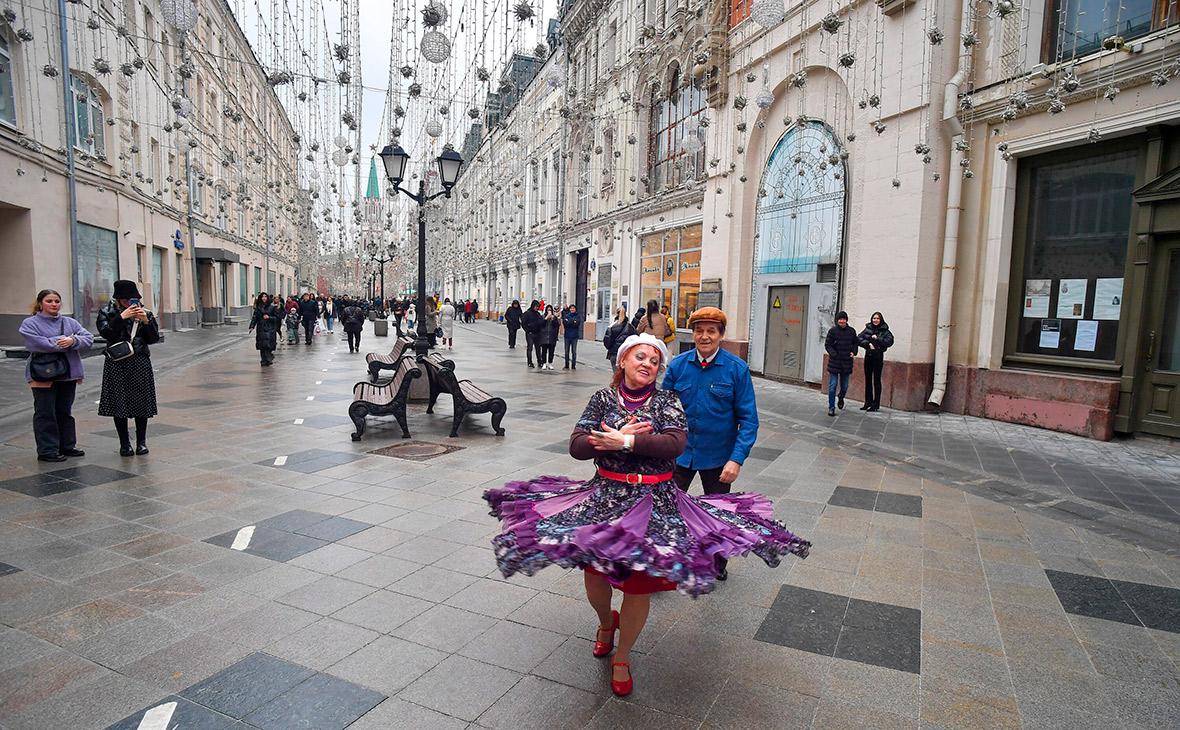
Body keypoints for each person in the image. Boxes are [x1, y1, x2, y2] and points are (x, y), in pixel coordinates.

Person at [484, 333, 810, 698]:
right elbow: (576, 446)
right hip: (605, 498)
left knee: (637, 584)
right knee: (595, 574)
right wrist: (601, 439)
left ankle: (622, 656)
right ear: (622, 361)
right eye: (640, 357)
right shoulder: (603, 398)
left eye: (654, 361)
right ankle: (607, 624)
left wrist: (626, 442)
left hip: (655, 501)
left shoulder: (667, 400)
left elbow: (674, 444)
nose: (647, 365)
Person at [661, 307, 758, 581]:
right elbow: (662, 411)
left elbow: (749, 420)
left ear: (720, 335)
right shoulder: (678, 365)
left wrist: (736, 459)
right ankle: (665, 562)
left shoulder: (736, 369)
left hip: (719, 457)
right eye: (699, 331)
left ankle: (716, 563)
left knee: (718, 514)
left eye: (711, 331)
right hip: (679, 454)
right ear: (693, 333)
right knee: (666, 509)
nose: (704, 337)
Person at [20, 289, 94, 462]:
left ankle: (67, 446)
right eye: (49, 301)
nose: (54, 304)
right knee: (45, 412)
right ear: (40, 303)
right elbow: (38, 344)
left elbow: (88, 338)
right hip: (42, 374)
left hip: (68, 373)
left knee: (64, 411)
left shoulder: (70, 322)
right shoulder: (29, 323)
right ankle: (47, 450)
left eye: (57, 301)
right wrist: (65, 340)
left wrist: (73, 340)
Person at [97, 280, 160, 456]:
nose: (129, 303)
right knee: (119, 403)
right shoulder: (107, 312)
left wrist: (146, 321)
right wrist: (121, 318)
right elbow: (106, 333)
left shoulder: (145, 312)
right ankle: (124, 443)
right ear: (118, 299)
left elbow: (154, 338)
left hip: (139, 361)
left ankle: (141, 442)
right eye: (124, 299)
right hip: (117, 362)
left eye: (131, 299)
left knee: (141, 403)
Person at [858, 311, 895, 412]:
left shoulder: (885, 330)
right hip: (868, 356)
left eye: (877, 318)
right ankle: (867, 402)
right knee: (868, 380)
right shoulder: (868, 328)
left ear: (881, 319)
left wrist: (878, 339)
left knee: (876, 380)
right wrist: (867, 344)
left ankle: (876, 404)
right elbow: (858, 338)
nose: (875, 320)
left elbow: (890, 341)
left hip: (878, 357)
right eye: (874, 318)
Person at [825, 310, 859, 417]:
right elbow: (828, 345)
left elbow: (855, 343)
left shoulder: (852, 331)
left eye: (844, 319)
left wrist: (854, 352)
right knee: (832, 386)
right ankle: (831, 407)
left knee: (844, 387)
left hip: (846, 363)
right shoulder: (832, 331)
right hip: (834, 363)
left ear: (846, 320)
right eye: (840, 319)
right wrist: (833, 354)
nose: (842, 321)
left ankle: (841, 397)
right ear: (837, 320)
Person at [248, 293, 281, 366]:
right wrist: (252, 326)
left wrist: (269, 317)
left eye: (265, 296)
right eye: (262, 297)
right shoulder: (258, 307)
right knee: (262, 345)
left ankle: (268, 358)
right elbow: (254, 318)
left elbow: (277, 318)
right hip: (261, 327)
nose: (264, 298)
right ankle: (263, 360)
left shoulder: (272, 307)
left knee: (268, 344)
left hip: (270, 328)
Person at [522, 300, 544, 368]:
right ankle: (529, 362)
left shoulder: (538, 314)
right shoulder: (527, 313)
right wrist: (528, 330)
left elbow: (541, 322)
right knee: (530, 348)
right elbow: (523, 323)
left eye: (538, 307)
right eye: (536, 306)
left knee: (538, 348)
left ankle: (539, 361)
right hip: (530, 334)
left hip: (537, 333)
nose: (536, 308)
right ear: (532, 306)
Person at [539, 305, 560, 370]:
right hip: (544, 336)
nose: (549, 311)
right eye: (548, 310)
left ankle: (550, 363)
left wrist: (554, 318)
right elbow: (540, 325)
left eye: (550, 310)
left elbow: (556, 325)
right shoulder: (542, 316)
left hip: (552, 336)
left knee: (551, 351)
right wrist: (546, 318)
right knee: (544, 351)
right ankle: (544, 363)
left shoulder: (554, 317)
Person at [562, 304, 582, 370]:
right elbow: (565, 324)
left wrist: (570, 321)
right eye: (571, 308)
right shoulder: (566, 315)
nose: (572, 309)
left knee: (574, 351)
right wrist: (573, 321)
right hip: (567, 336)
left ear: (575, 309)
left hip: (574, 336)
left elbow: (577, 324)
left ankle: (573, 366)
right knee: (566, 351)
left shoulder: (578, 316)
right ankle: (566, 365)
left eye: (573, 308)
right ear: (569, 309)